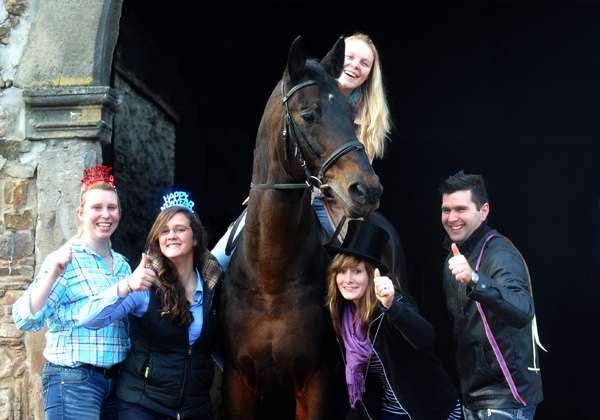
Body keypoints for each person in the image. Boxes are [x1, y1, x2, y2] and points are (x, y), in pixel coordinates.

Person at [213, 32, 392, 268]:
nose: (355, 66)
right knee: (218, 258)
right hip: (292, 192)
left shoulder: (369, 117)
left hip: (336, 201)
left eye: (364, 63)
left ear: (370, 72)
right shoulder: (307, 94)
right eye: (350, 57)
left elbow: (359, 168)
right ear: (338, 60)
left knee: (345, 271)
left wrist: (317, 191)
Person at [79, 191, 222, 420]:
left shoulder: (214, 287)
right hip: (143, 406)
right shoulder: (144, 285)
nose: (171, 235)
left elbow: (215, 345)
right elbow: (88, 319)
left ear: (195, 238)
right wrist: (126, 284)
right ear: (157, 240)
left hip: (195, 409)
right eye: (164, 231)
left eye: (179, 229)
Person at [13, 165, 130, 420]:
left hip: (117, 383)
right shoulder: (66, 259)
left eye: (112, 207)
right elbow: (26, 318)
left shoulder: (122, 265)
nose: (105, 214)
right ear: (80, 213)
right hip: (73, 382)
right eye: (96, 208)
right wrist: (52, 273)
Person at [326, 220, 461, 420]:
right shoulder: (342, 317)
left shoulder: (394, 303)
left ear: (372, 275)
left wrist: (391, 307)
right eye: (342, 271)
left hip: (429, 408)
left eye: (357, 271)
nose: (347, 279)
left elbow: (426, 338)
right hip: (390, 409)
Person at [439, 171, 545, 420]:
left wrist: (475, 279)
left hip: (504, 398)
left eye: (461, 209)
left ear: (484, 211)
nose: (452, 218)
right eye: (446, 210)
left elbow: (523, 311)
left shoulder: (500, 253)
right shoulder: (454, 259)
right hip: (473, 395)